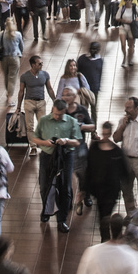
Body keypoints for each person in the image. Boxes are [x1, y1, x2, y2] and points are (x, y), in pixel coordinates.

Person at [33, 95, 82, 232]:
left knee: (65, 187)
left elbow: (77, 141)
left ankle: (62, 219)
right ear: (52, 110)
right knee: (44, 185)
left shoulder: (71, 122)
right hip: (47, 156)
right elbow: (35, 138)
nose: (57, 117)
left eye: (60, 115)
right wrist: (45, 142)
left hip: (66, 156)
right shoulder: (43, 121)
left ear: (65, 112)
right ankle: (47, 211)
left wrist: (66, 141)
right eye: (55, 114)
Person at [84, 121, 129, 235]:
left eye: (107, 134)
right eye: (103, 133)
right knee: (102, 214)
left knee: (105, 214)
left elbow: (124, 172)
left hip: (111, 190)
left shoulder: (116, 152)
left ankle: (106, 236)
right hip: (98, 190)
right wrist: (84, 189)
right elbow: (88, 168)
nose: (105, 136)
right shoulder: (94, 148)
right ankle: (106, 236)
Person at [17, 55, 54, 154]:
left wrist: (55, 100)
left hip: (41, 102)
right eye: (39, 64)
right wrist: (18, 107)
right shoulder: (25, 76)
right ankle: (33, 146)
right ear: (33, 65)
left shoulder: (45, 75)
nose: (42, 65)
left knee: (43, 124)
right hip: (29, 102)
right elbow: (21, 91)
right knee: (30, 126)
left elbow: (49, 88)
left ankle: (42, 143)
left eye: (42, 63)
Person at [116, 0, 138, 67]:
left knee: (131, 45)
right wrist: (124, 21)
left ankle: (130, 59)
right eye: (126, 2)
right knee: (123, 44)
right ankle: (125, 57)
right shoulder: (122, 8)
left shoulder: (134, 8)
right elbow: (117, 17)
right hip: (123, 27)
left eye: (129, 2)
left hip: (132, 28)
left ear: (131, 1)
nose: (128, 3)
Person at [0, 16, 25, 100]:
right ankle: (10, 97)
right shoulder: (18, 34)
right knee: (12, 77)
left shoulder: (2, 34)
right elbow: (22, 46)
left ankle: (7, 92)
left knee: (6, 76)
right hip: (14, 58)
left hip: (4, 58)